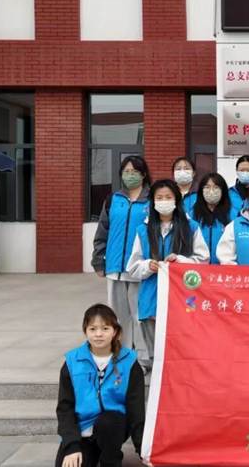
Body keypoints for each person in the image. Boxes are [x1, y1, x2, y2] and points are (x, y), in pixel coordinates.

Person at [127, 179, 209, 366]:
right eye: (159, 198)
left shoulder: (191, 227)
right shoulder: (143, 230)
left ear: (176, 200)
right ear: (153, 202)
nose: (164, 201)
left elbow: (203, 260)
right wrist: (148, 266)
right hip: (151, 297)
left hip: (183, 298)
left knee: (181, 349)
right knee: (156, 351)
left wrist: (180, 261)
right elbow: (132, 267)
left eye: (168, 197)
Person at [56, 304, 145, 467]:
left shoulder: (129, 362)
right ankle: (89, 453)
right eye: (93, 329)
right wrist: (71, 446)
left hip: (114, 427)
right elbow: (65, 408)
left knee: (108, 422)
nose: (98, 334)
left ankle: (111, 461)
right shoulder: (72, 362)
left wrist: (143, 450)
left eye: (105, 328)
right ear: (85, 331)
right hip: (83, 431)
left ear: (115, 331)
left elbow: (136, 408)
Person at [91, 155, 151, 369]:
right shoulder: (113, 200)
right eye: (126, 172)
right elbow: (102, 231)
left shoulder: (151, 201)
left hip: (139, 269)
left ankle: (143, 358)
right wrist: (98, 260)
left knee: (140, 316)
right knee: (117, 316)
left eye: (134, 172)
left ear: (143, 174)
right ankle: (122, 356)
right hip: (115, 267)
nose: (130, 175)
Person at [192, 172, 236, 264]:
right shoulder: (193, 214)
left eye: (216, 187)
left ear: (223, 190)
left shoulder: (234, 214)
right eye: (207, 187)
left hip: (223, 267)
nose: (211, 191)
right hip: (198, 267)